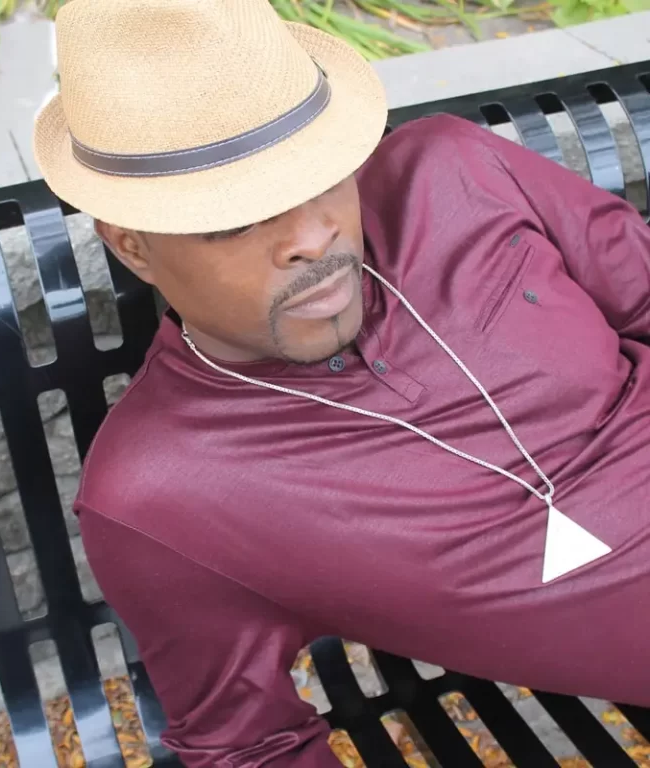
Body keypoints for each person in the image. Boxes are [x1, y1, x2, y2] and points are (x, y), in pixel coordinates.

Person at [33, 0, 650, 764]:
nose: (311, 236)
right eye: (236, 217)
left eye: (322, 175)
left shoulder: (454, 171)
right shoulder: (161, 492)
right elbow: (248, 746)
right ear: (132, 246)